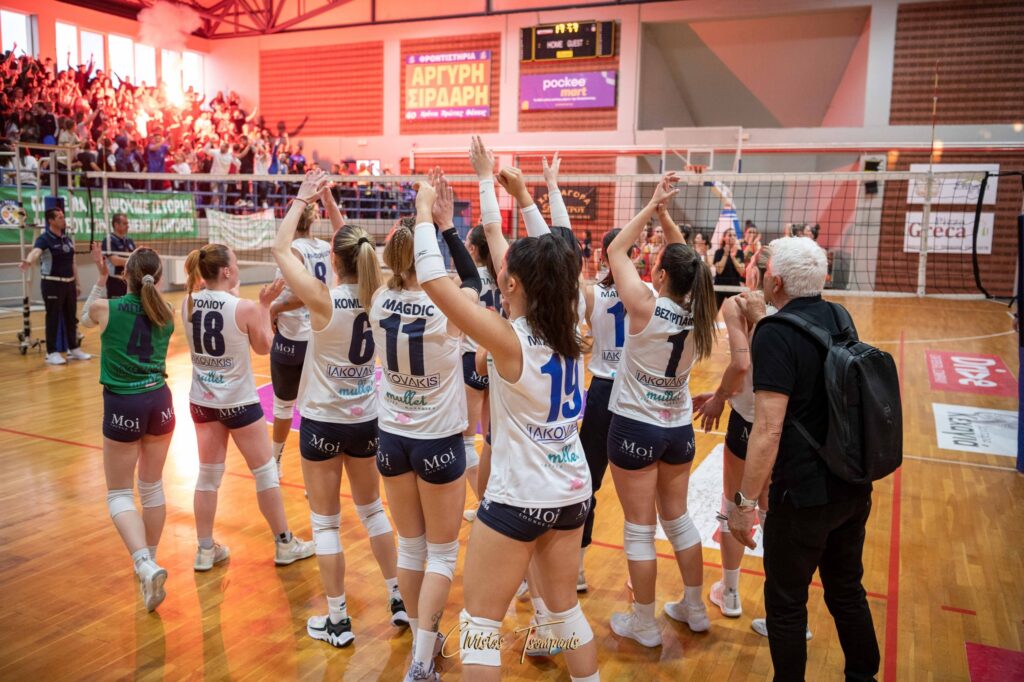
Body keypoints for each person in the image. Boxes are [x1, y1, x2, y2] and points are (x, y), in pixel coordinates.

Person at [412, 135, 598, 681]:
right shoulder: (572, 320)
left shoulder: (510, 340)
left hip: (520, 499)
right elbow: (550, 260)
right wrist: (517, 194)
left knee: (479, 624)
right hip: (571, 493)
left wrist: (424, 213)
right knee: (565, 612)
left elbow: (434, 281)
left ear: (509, 283)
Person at [728, 236, 878, 681]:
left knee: (786, 603)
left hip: (803, 494)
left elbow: (768, 430)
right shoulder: (840, 315)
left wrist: (744, 504)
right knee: (846, 589)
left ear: (774, 282)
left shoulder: (774, 333)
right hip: (851, 482)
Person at [272, 170, 408, 648]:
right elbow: (351, 244)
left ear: (333, 260)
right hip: (366, 419)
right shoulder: (381, 297)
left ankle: (337, 620)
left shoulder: (320, 298)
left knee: (325, 523)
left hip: (322, 423)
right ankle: (398, 598)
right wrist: (330, 203)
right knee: (372, 512)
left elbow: (280, 249)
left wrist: (302, 198)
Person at [369, 169, 480, 682]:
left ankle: (422, 643)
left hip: (392, 438)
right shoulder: (447, 306)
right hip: (437, 441)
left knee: (411, 548)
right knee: (441, 554)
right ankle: (420, 662)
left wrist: (426, 221)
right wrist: (445, 224)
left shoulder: (377, 301)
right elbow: (475, 283)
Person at [605, 172, 717, 647]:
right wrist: (667, 218)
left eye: (657, 263)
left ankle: (644, 623)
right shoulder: (702, 310)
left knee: (639, 529)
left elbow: (615, 251)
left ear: (663, 275)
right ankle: (695, 607)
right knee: (679, 519)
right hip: (677, 431)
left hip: (635, 426)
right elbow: (691, 264)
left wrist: (652, 206)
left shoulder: (643, 305)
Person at [182, 244, 316, 572]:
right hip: (238, 402)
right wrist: (264, 306)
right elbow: (264, 347)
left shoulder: (187, 302)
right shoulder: (243, 307)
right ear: (226, 271)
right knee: (265, 471)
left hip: (203, 401)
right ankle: (284, 543)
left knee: (208, 477)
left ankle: (204, 550)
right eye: (236, 263)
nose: (239, 267)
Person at [80, 242, 175, 612]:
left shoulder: (105, 308)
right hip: (160, 402)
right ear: (158, 278)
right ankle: (150, 563)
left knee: (119, 494)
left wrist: (101, 278)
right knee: (152, 488)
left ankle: (144, 564)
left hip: (124, 404)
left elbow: (85, 319)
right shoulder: (167, 312)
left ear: (126, 276)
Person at [577, 227, 640, 592]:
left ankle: (578, 569)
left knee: (588, 483)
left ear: (603, 256)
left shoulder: (591, 293)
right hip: (634, 392)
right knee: (639, 493)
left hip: (602, 391)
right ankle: (638, 573)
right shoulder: (647, 293)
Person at [267, 200, 331, 478]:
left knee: (284, 406)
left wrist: (274, 308)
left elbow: (302, 295)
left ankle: (275, 463)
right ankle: (314, 474)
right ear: (315, 219)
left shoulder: (292, 250)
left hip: (292, 336)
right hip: (318, 335)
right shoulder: (326, 248)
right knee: (315, 408)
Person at [459, 225, 499, 523]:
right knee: (491, 440)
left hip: (473, 358)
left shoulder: (467, 280)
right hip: (497, 358)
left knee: (464, 441)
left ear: (473, 249)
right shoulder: (504, 275)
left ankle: (486, 505)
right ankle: (494, 501)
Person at [19, 206, 91, 365]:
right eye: (59, 217)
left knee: (71, 318)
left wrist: (77, 283)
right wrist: (28, 261)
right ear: (50, 221)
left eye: (63, 216)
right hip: (52, 283)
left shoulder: (67, 239)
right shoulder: (44, 239)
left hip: (69, 284)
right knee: (53, 318)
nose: (63, 219)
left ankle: (74, 349)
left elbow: (72, 262)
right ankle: (51, 353)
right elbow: (36, 252)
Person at [101, 212, 136, 298]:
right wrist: (132, 260)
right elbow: (115, 261)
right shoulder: (108, 240)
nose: (127, 226)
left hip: (129, 281)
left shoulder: (129, 241)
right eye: (125, 223)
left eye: (127, 223)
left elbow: (136, 257)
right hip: (115, 281)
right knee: (117, 305)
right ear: (116, 225)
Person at [713, 228, 745, 311]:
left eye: (734, 235)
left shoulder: (740, 252)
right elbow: (719, 271)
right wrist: (725, 254)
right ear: (724, 238)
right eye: (730, 235)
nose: (732, 237)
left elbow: (741, 271)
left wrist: (733, 257)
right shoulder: (718, 252)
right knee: (713, 312)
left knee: (738, 312)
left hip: (734, 287)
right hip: (719, 287)